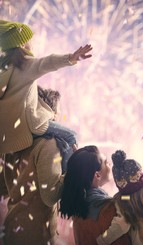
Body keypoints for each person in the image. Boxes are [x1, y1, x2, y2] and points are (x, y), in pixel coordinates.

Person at [0, 20, 92, 169]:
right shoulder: (25, 65)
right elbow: (46, 62)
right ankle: (69, 177)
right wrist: (71, 58)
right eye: (30, 40)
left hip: (10, 133)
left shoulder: (5, 69)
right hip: (31, 125)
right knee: (72, 136)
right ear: (22, 44)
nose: (33, 43)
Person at [59, 146, 133, 245]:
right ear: (97, 175)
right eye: (106, 162)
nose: (110, 165)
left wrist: (81, 161)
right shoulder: (109, 209)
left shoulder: (77, 203)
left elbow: (75, 174)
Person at [0, 134, 63, 245]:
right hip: (37, 239)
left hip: (13, 235)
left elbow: (3, 189)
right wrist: (73, 174)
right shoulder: (47, 144)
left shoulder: (12, 141)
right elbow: (50, 196)